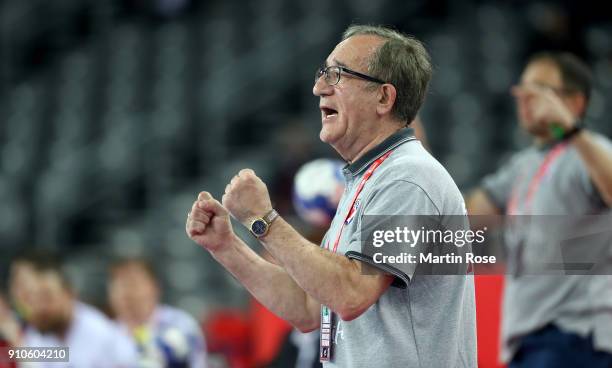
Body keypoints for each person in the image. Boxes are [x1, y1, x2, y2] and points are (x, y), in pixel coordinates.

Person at [185, 24, 476, 368]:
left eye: (337, 75)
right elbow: (310, 309)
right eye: (323, 73)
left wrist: (263, 218)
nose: (318, 87)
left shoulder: (408, 179)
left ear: (384, 97)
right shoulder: (368, 179)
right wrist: (226, 247)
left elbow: (350, 294)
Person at [466, 52, 612, 367]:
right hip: (528, 340)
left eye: (539, 90)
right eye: (522, 89)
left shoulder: (589, 154)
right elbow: (467, 217)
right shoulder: (523, 164)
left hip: (575, 336)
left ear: (575, 103)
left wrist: (571, 130)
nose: (524, 98)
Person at [0, 253, 138, 368]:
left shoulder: (102, 335)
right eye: (33, 299)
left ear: (70, 294)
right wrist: (16, 341)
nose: (40, 307)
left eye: (47, 297)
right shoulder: (40, 333)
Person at [108, 258, 208, 368]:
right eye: (119, 284)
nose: (126, 292)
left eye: (133, 283)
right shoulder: (105, 333)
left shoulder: (181, 324)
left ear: (155, 287)